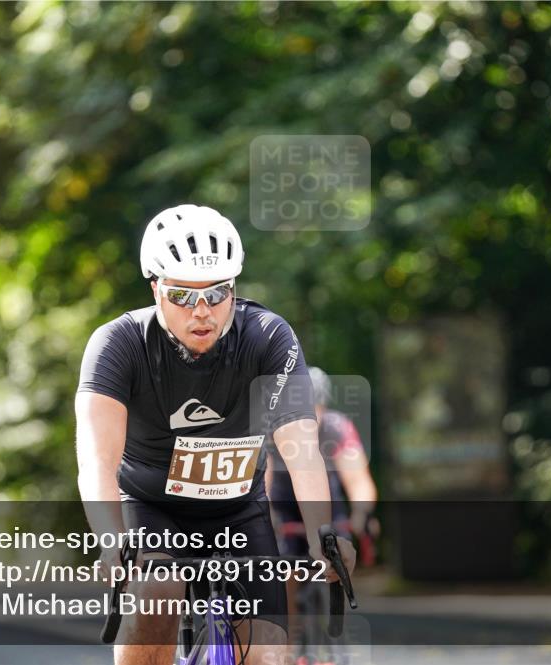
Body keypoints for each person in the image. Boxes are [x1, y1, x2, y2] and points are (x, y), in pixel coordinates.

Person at [75, 204, 356, 665]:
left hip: (238, 512)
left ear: (234, 289)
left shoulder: (268, 337)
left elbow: (301, 449)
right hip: (151, 509)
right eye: (182, 295)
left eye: (217, 293)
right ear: (155, 288)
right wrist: (112, 543)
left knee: (267, 656)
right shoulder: (117, 344)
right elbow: (96, 461)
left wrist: (321, 535)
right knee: (158, 589)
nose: (201, 311)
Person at [265, 367, 378, 660]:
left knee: (337, 562)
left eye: (314, 408)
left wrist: (362, 513)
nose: (308, 418)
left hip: (328, 508)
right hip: (284, 508)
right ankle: (290, 646)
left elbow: (358, 479)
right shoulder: (273, 429)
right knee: (286, 574)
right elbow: (261, 483)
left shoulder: (337, 427)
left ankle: (337, 639)